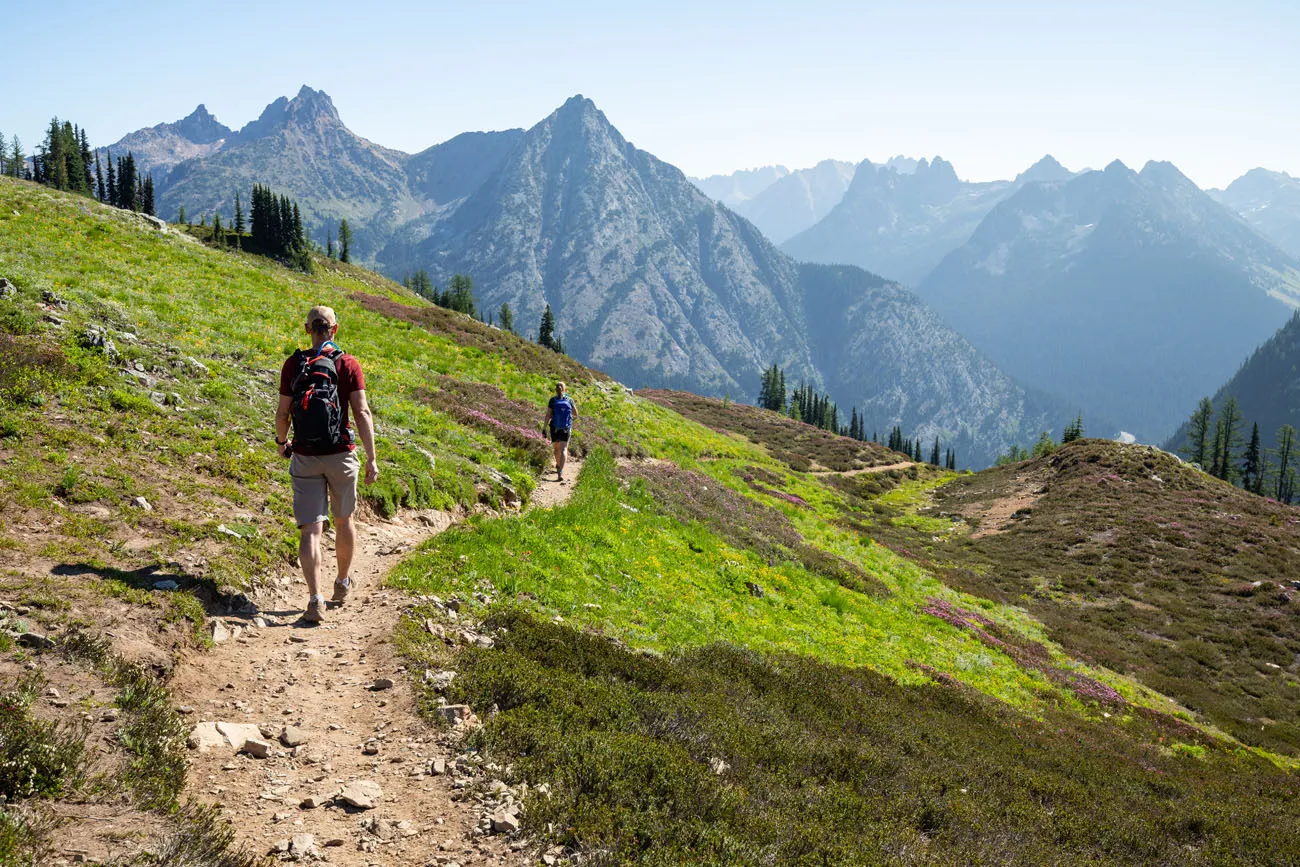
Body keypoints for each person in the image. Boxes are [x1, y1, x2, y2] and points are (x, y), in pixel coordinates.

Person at [275, 305, 378, 624]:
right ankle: (342, 583)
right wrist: (372, 457)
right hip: (341, 453)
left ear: (307, 329)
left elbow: (282, 414)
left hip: (305, 455)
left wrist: (282, 444)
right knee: (344, 519)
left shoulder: (293, 364)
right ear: (335, 329)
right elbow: (361, 413)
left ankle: (314, 599)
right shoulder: (347, 363)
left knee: (311, 529)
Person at [542, 381, 577, 482]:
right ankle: (560, 471)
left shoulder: (552, 400)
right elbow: (576, 414)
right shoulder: (570, 400)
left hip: (554, 427)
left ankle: (558, 465)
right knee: (564, 449)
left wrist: (544, 427)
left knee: (556, 449)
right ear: (565, 389)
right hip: (566, 428)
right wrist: (570, 419)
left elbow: (548, 415)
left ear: (556, 389)